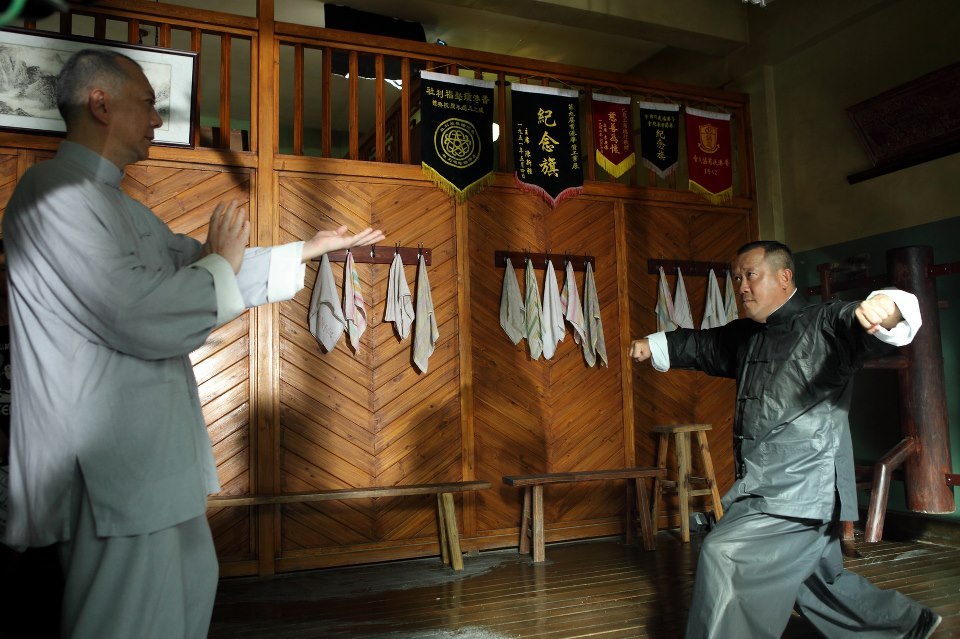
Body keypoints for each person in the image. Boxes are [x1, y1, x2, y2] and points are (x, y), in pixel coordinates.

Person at [1, 48, 384, 639]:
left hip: (155, 461)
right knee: (126, 624)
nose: (157, 121)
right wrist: (220, 265)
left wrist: (302, 251)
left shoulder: (121, 208)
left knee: (181, 608)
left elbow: (201, 266)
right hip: (111, 469)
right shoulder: (52, 194)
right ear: (100, 104)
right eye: (149, 106)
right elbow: (135, 310)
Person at [630, 240, 942, 639]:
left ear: (784, 277)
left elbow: (867, 321)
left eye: (750, 275)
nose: (741, 286)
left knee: (727, 555)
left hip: (801, 487)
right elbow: (702, 345)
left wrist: (888, 306)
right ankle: (904, 625)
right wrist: (653, 345)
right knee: (816, 580)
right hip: (767, 484)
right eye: (737, 277)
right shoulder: (747, 336)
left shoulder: (824, 323)